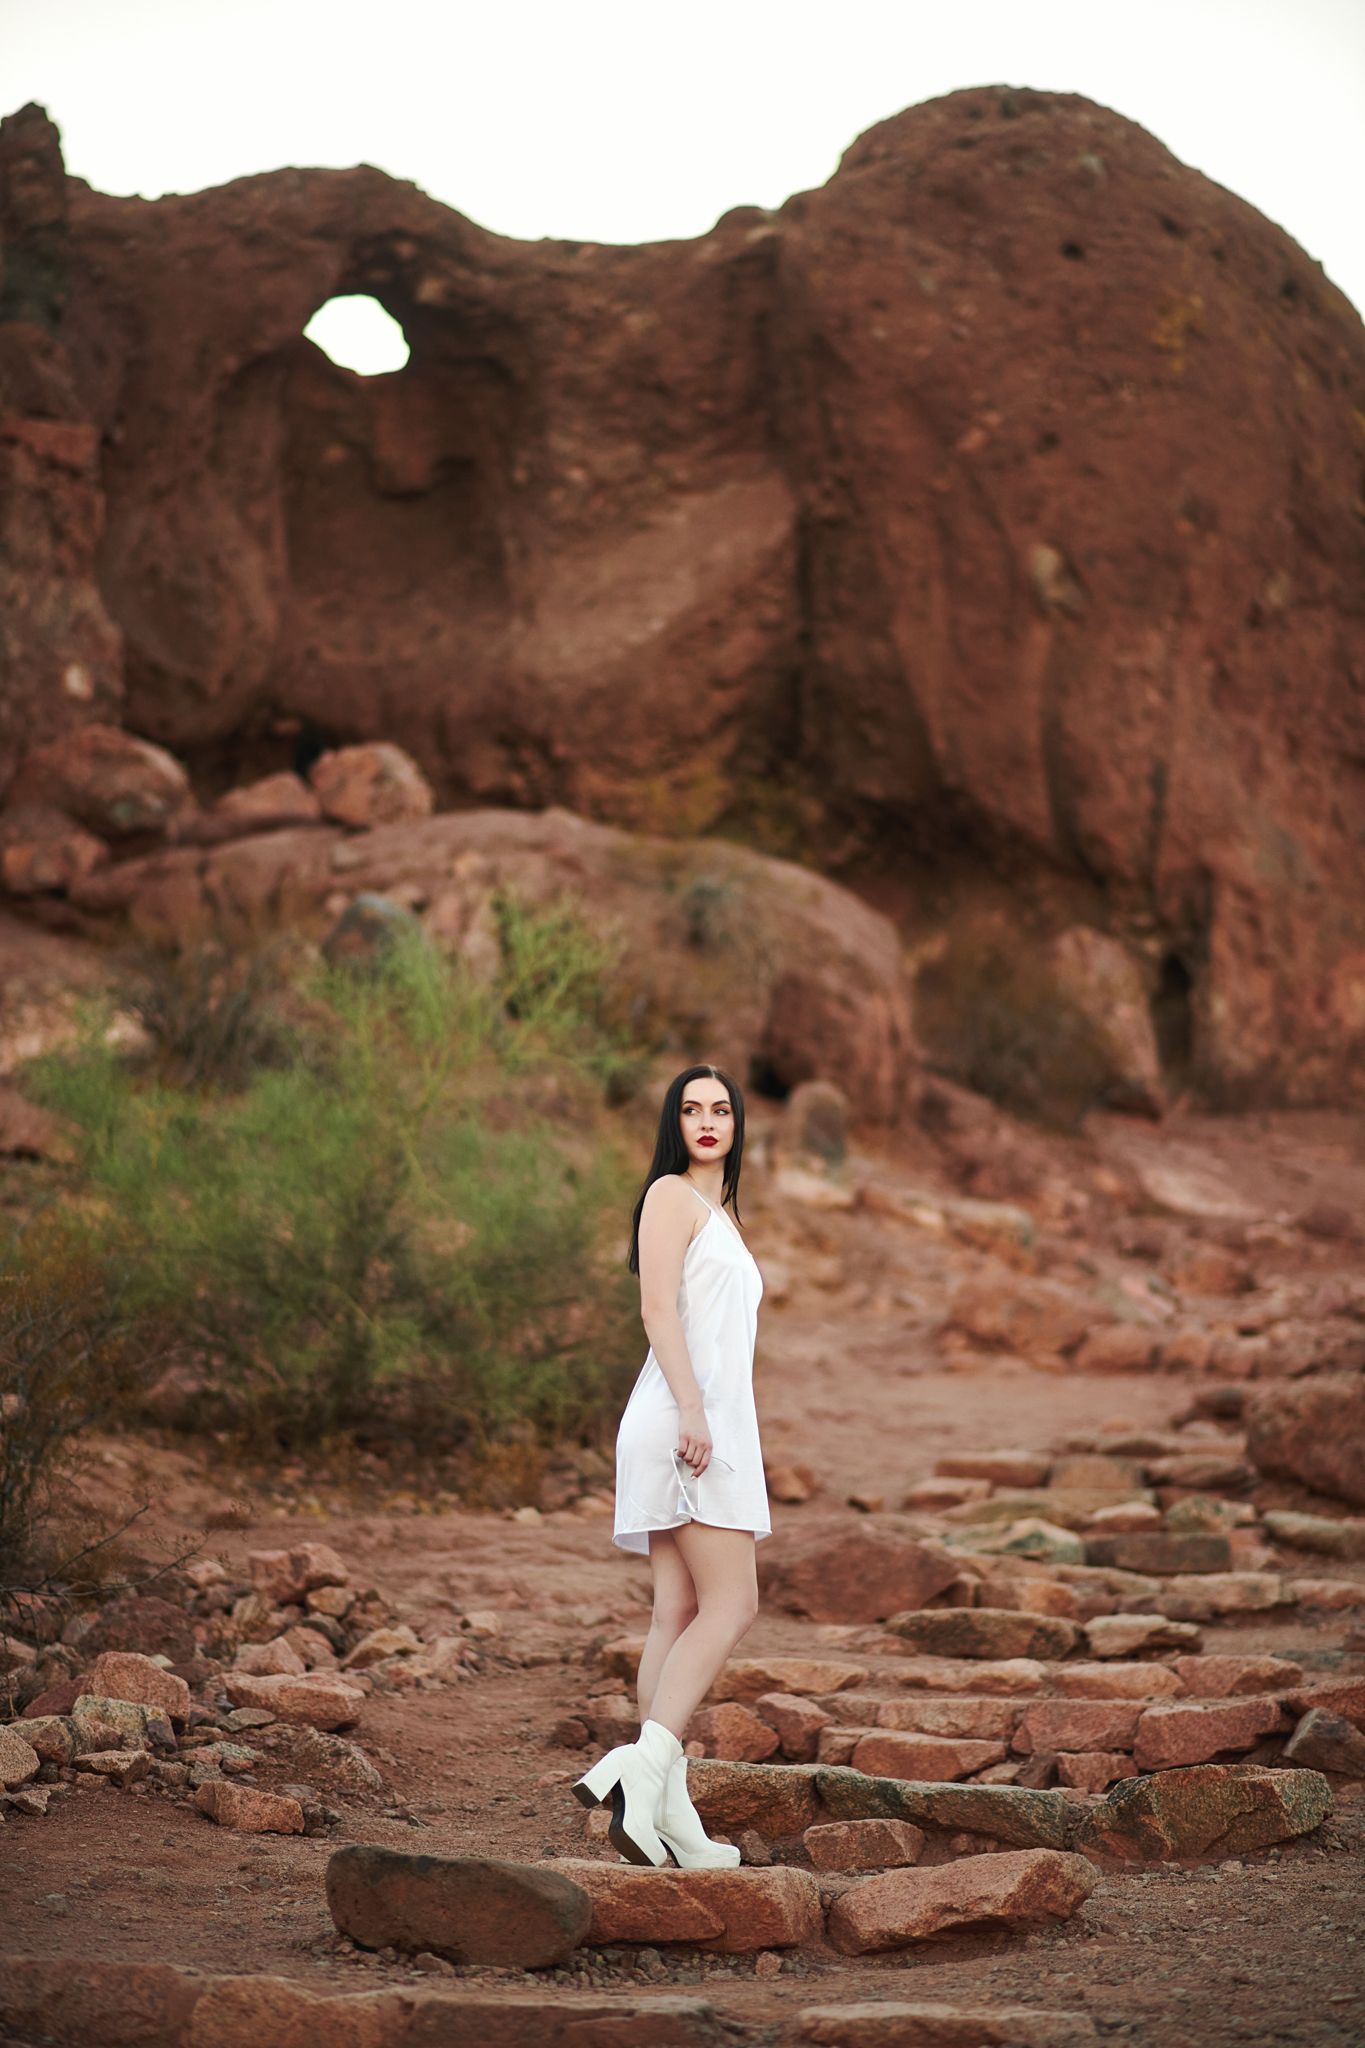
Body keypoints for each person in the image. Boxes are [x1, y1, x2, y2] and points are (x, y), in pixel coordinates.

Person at [571, 1063, 770, 1867]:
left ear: (737, 1124)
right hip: (684, 1421)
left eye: (720, 1108)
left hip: (705, 1421)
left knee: (675, 1613)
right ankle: (640, 1768)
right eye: (691, 1109)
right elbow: (655, 1310)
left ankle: (667, 1818)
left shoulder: (720, 1216)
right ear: (674, 1124)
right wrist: (691, 1409)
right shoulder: (668, 1196)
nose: (707, 1121)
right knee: (733, 1603)